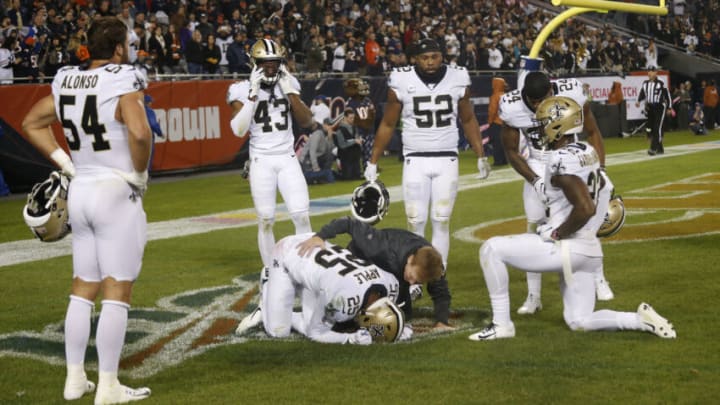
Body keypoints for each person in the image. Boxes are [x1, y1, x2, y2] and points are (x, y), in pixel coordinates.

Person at [20, 16, 152, 403]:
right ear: (116, 48)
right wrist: (140, 173)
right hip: (115, 189)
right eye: (126, 44)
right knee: (117, 288)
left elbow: (32, 122)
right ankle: (108, 386)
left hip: (82, 188)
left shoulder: (65, 79)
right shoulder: (123, 77)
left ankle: (75, 379)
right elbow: (140, 132)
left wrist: (66, 163)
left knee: (83, 288)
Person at [469, 96, 677, 341]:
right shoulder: (588, 151)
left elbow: (585, 207)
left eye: (545, 122)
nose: (540, 127)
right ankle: (639, 320)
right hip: (589, 251)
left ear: (557, 126)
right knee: (579, 320)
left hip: (567, 246)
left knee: (491, 249)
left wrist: (558, 232)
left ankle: (501, 324)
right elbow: (606, 193)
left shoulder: (560, 159)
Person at [364, 38, 490, 287]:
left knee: (442, 218)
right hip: (415, 157)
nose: (430, 62)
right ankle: (416, 275)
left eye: (434, 56)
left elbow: (468, 119)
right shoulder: (401, 80)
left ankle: (437, 274)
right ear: (415, 59)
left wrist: (481, 154)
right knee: (415, 219)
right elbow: (388, 123)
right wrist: (373, 161)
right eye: (424, 57)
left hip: (446, 157)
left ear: (442, 56)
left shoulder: (458, 78)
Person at [500, 67, 614, 316]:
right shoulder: (511, 106)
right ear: (525, 98)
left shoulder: (571, 91)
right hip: (539, 163)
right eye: (535, 101)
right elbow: (511, 151)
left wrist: (601, 168)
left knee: (587, 223)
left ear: (553, 89)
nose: (541, 105)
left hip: (573, 159)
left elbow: (592, 131)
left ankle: (598, 278)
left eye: (545, 98)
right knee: (534, 226)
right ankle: (534, 295)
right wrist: (536, 181)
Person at [226, 38, 315, 272]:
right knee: (266, 220)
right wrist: (253, 95)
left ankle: (306, 269)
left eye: (275, 63)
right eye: (265, 63)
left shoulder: (289, 82)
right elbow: (238, 130)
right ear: (254, 63)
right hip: (261, 160)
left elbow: (307, 121)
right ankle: (271, 272)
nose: (271, 68)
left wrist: (291, 93)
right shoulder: (240, 89)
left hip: (286, 157)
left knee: (302, 216)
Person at [235, 234, 409, 344]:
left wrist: (399, 327)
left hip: (317, 257)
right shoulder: (343, 300)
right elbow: (315, 332)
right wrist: (348, 339)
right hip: (287, 254)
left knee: (325, 309)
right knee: (279, 331)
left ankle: (283, 297)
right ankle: (268, 284)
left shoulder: (390, 282)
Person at [296, 215, 450, 330]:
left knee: (402, 317)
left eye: (417, 282)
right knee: (342, 322)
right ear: (410, 259)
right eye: (412, 277)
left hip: (392, 274)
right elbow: (350, 223)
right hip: (360, 263)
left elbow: (441, 292)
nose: (412, 283)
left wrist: (442, 320)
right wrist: (320, 236)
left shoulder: (431, 264)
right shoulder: (379, 247)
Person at [635, 67, 672, 155]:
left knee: (657, 127)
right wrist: (638, 101)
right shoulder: (645, 83)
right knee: (651, 127)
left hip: (660, 106)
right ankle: (660, 149)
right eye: (648, 71)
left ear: (656, 73)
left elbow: (667, 95)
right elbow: (642, 93)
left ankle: (653, 148)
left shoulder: (661, 82)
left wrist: (669, 107)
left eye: (651, 71)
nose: (649, 73)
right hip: (651, 107)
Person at [344, 78, 376, 170]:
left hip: (369, 130)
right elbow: (350, 119)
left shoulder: (367, 100)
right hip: (358, 131)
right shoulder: (350, 103)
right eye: (359, 86)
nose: (362, 88)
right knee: (357, 153)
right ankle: (356, 171)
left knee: (369, 153)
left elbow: (372, 114)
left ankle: (369, 169)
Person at [299, 119, 336, 184]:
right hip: (306, 159)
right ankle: (322, 175)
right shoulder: (318, 133)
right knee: (307, 180)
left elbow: (328, 150)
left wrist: (330, 138)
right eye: (328, 125)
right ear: (324, 125)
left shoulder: (325, 134)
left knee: (330, 155)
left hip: (316, 158)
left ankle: (322, 176)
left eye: (331, 125)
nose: (330, 127)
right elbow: (312, 151)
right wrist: (316, 167)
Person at [334, 108, 363, 180]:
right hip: (345, 156)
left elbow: (357, 137)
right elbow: (342, 145)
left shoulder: (354, 127)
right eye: (350, 118)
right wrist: (354, 141)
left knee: (357, 176)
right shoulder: (339, 130)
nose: (352, 119)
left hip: (355, 156)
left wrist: (359, 140)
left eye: (353, 118)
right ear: (345, 118)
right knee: (347, 177)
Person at [486, 76, 508, 166]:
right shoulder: (506, 96)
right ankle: (504, 160)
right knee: (504, 143)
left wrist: (490, 122)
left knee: (496, 143)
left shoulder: (494, 96)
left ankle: (498, 161)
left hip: (496, 123)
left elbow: (492, 111)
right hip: (506, 123)